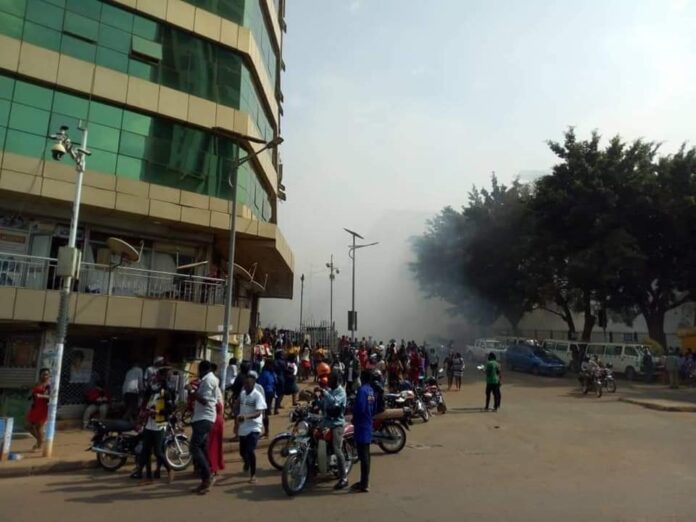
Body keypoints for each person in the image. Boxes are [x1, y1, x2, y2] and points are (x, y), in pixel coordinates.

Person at [139, 367, 175, 485]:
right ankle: (149, 477)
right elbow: (145, 403)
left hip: (159, 424)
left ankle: (170, 470)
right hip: (149, 424)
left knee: (158, 452)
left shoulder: (166, 392)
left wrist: (157, 412)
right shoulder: (151, 390)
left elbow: (170, 409)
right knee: (146, 451)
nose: (155, 378)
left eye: (158, 376)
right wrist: (143, 412)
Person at [188, 360, 217, 495]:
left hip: (204, 418)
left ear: (202, 370)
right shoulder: (207, 380)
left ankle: (207, 476)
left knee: (194, 447)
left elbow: (204, 400)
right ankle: (207, 477)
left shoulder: (209, 380)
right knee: (203, 448)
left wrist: (192, 390)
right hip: (202, 417)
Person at [319, 370, 348, 490]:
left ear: (336, 381)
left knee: (337, 449)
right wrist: (317, 399)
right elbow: (323, 405)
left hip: (337, 424)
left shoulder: (341, 392)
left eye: (330, 380)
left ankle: (344, 478)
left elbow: (334, 402)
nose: (328, 382)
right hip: (326, 422)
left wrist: (325, 393)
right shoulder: (329, 390)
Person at [238, 371, 267, 484]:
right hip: (243, 426)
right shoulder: (242, 394)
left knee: (250, 450)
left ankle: (253, 475)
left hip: (254, 426)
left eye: (248, 384)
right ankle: (246, 462)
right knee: (242, 451)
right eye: (245, 384)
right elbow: (238, 404)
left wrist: (246, 417)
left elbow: (259, 413)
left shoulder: (257, 396)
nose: (246, 386)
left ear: (253, 384)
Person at [351, 370, 375, 493]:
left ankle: (364, 483)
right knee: (366, 454)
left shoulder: (362, 391)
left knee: (363, 455)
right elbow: (373, 407)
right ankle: (364, 481)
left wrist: (353, 414)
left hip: (361, 425)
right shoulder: (370, 390)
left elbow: (359, 408)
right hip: (368, 422)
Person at [26, 368, 50, 451]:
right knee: (28, 426)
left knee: (39, 427)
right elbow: (33, 393)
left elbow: (53, 397)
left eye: (47, 374)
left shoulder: (49, 385)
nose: (45, 376)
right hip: (35, 407)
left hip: (44, 408)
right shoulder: (37, 383)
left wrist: (41, 396)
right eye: (43, 374)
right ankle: (40, 441)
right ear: (40, 375)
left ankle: (39, 445)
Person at [207, 373, 225, 479]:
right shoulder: (218, 392)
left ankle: (212, 467)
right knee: (216, 445)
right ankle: (216, 466)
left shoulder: (211, 393)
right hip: (218, 420)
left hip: (212, 420)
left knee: (211, 445)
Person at [257, 362, 276, 437]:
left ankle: (264, 431)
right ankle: (266, 431)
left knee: (263, 413)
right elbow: (275, 382)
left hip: (264, 393)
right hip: (271, 393)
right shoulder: (272, 374)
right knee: (266, 412)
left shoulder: (263, 374)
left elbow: (260, 384)